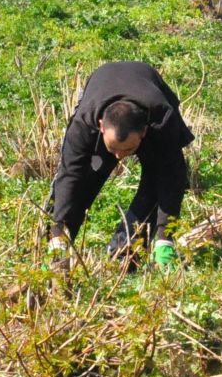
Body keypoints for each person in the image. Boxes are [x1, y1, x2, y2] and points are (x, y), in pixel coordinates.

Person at [47, 60, 193, 267]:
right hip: (102, 83)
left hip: (147, 90)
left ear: (143, 132)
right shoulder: (84, 124)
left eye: (127, 150)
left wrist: (164, 236)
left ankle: (123, 251)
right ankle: (55, 251)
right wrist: (58, 233)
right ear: (101, 127)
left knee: (155, 187)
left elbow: (171, 179)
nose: (119, 157)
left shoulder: (162, 120)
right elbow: (70, 176)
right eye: (113, 148)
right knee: (81, 184)